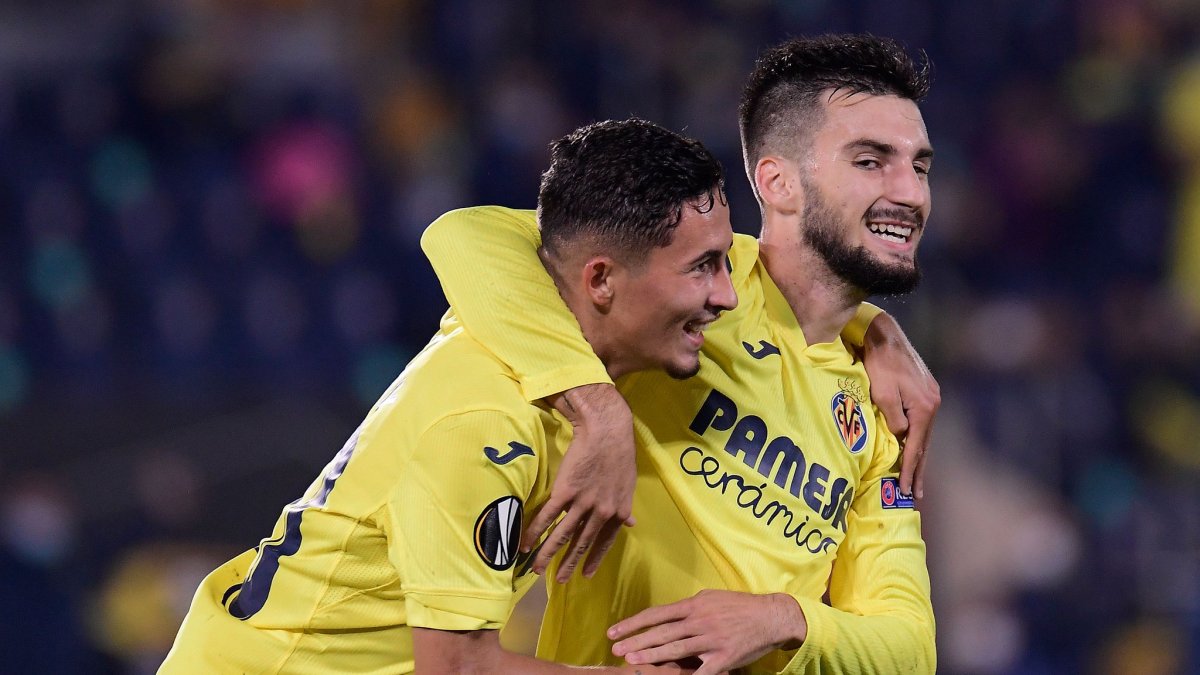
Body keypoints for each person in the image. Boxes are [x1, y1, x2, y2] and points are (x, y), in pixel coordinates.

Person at [420, 33, 938, 673]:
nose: (910, 193)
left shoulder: (880, 407)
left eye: (919, 166)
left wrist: (782, 619)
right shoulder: (679, 288)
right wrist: (598, 407)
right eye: (871, 161)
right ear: (778, 182)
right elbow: (466, 235)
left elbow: (911, 650)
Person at [158, 118, 738, 674]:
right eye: (703, 267)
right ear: (602, 280)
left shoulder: (519, 317)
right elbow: (459, 670)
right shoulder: (488, 424)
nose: (728, 296)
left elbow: (489, 233)